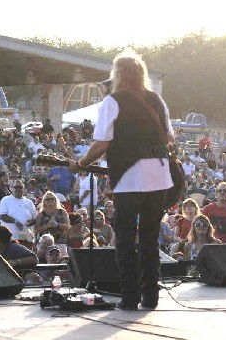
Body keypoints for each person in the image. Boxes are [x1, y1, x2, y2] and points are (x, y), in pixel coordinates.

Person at [68, 49, 174, 310]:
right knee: (150, 238)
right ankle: (151, 297)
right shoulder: (157, 100)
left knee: (125, 238)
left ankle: (129, 298)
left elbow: (101, 143)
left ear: (117, 74)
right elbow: (170, 138)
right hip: (159, 176)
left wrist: (80, 163)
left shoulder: (113, 101)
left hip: (130, 176)